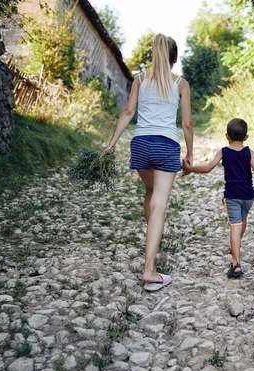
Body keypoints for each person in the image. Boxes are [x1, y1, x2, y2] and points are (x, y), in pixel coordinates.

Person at [103, 34, 193, 291]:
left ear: (154, 56)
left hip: (140, 144)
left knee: (151, 193)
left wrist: (110, 146)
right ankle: (149, 270)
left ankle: (152, 237)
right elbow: (186, 123)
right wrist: (190, 153)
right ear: (175, 59)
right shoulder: (180, 84)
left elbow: (128, 112)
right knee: (159, 206)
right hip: (166, 146)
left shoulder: (140, 79)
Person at [182, 118, 254, 278]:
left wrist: (190, 169)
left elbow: (207, 168)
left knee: (234, 226)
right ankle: (236, 246)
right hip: (248, 195)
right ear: (246, 137)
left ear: (226, 136)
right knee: (243, 220)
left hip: (232, 196)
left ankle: (236, 264)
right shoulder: (249, 152)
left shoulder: (223, 152)